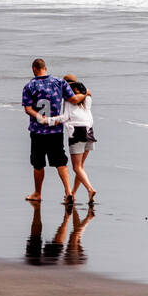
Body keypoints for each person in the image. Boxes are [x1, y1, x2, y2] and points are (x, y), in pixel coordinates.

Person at [21, 58, 87, 204]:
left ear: (34, 69)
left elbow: (27, 108)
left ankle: (38, 193)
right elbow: (74, 100)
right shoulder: (59, 82)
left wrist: (39, 116)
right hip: (55, 130)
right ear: (45, 68)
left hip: (38, 131)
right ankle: (68, 191)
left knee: (38, 164)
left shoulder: (29, 86)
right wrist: (86, 93)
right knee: (60, 162)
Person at [59, 74, 97, 203]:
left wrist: (51, 121)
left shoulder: (69, 99)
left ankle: (90, 189)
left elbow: (65, 116)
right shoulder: (88, 98)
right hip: (89, 131)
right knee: (80, 167)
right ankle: (73, 193)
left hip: (77, 132)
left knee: (76, 167)